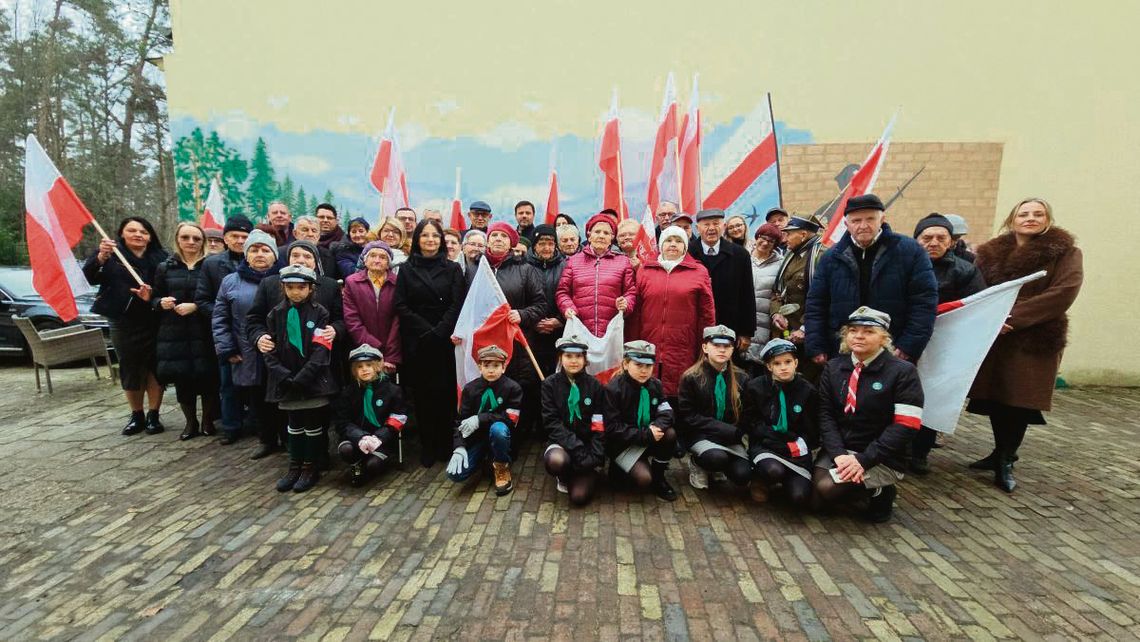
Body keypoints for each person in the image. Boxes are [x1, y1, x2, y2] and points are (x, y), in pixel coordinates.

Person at [966, 198, 1083, 493]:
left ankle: (1006, 458)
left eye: (1038, 214)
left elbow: (1063, 292)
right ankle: (997, 451)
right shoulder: (991, 253)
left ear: (1048, 219)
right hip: (996, 335)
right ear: (1012, 219)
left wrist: (1012, 316)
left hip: (1033, 336)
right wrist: (989, 318)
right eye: (1024, 214)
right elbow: (979, 288)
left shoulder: (1065, 253)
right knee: (995, 396)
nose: (1030, 218)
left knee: (1019, 399)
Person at [813, 307, 924, 523]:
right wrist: (838, 454)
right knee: (815, 501)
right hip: (841, 450)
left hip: (880, 455)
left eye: (869, 331)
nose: (859, 336)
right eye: (853, 330)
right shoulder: (834, 367)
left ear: (884, 338)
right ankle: (857, 487)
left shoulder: (903, 372)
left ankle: (882, 491)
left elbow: (906, 426)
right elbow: (825, 415)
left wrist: (863, 460)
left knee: (827, 488)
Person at [805, 194, 938, 366]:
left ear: (882, 219)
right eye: (856, 220)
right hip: (843, 350)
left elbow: (924, 301)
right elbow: (816, 304)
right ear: (846, 224)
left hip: (893, 349)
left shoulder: (910, 251)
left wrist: (909, 345)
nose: (863, 226)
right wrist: (816, 345)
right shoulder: (831, 257)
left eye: (870, 219)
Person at [246, 240, 344, 459]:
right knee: (290, 418)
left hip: (317, 364)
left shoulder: (328, 285)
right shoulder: (270, 284)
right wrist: (259, 337)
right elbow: (254, 319)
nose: (301, 259)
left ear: (316, 261)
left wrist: (335, 330)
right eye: (296, 255)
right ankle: (295, 459)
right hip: (281, 363)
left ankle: (317, 459)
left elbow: (340, 318)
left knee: (317, 415)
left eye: (307, 256)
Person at [909, 214, 987, 474]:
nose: (933, 242)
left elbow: (976, 307)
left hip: (944, 345)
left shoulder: (965, 270)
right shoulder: (904, 265)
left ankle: (920, 451)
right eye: (927, 237)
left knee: (934, 396)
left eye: (940, 237)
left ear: (951, 242)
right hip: (908, 341)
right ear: (917, 240)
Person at [83, 216, 169, 435]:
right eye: (132, 231)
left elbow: (167, 286)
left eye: (143, 232)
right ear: (122, 233)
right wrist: (101, 258)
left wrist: (153, 296)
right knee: (130, 367)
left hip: (152, 317)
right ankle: (136, 414)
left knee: (154, 367)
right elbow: (89, 277)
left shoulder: (161, 258)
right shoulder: (110, 255)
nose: (138, 235)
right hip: (123, 320)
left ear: (150, 236)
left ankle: (153, 415)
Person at [395, 220, 466, 467]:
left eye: (435, 236)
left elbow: (457, 304)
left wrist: (440, 330)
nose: (430, 240)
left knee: (445, 395)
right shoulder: (405, 269)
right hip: (418, 340)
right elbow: (401, 305)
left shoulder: (453, 269)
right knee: (423, 396)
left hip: (445, 339)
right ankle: (428, 446)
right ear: (417, 239)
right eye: (424, 235)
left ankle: (445, 444)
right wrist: (426, 330)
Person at [263, 265, 339, 493]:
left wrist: (305, 375)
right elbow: (270, 348)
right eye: (291, 287)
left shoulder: (320, 313)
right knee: (293, 425)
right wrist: (283, 375)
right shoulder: (276, 313)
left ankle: (310, 466)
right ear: (283, 288)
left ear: (311, 289)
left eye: (301, 287)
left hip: (312, 381)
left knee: (313, 424)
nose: (296, 292)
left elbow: (322, 349)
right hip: (286, 381)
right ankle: (294, 465)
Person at [212, 230, 282, 447]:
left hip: (280, 350)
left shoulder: (285, 280)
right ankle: (266, 441)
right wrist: (227, 349)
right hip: (246, 350)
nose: (260, 254)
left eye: (265, 250)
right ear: (246, 254)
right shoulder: (231, 282)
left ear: (274, 255)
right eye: (254, 250)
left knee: (282, 396)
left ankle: (287, 440)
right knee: (257, 398)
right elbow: (220, 318)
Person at [628, 225, 715, 398]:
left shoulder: (699, 271)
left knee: (679, 392)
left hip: (683, 343)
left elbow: (707, 312)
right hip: (649, 340)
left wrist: (705, 345)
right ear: (661, 245)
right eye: (668, 240)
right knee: (646, 389)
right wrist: (632, 342)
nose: (673, 244)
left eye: (678, 241)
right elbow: (636, 310)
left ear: (685, 246)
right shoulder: (646, 270)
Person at [480, 222, 547, 443]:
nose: (498, 239)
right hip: (488, 342)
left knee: (520, 389)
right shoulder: (478, 269)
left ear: (511, 242)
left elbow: (540, 304)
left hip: (518, 343)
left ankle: (518, 436)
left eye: (503, 236)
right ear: (487, 240)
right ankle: (494, 433)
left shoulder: (525, 269)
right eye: (494, 235)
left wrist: (523, 314)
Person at [153, 222, 218, 441]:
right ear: (178, 240)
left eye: (196, 238)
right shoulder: (165, 267)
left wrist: (197, 306)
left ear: (203, 242)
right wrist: (160, 302)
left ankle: (208, 420)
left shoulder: (211, 265)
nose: (191, 242)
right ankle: (191, 422)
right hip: (175, 330)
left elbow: (219, 298)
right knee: (183, 378)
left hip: (204, 328)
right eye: (186, 238)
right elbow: (155, 296)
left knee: (208, 376)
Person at [742, 338, 818, 506]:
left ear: (796, 363)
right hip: (765, 444)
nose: (783, 367)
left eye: (788, 362)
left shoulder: (808, 391)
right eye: (777, 363)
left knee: (799, 497)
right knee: (773, 470)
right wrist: (771, 436)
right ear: (769, 367)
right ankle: (761, 480)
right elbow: (750, 422)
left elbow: (812, 430)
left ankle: (788, 481)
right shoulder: (755, 387)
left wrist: (794, 444)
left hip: (794, 448)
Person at [197, 215, 252, 440]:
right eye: (234, 236)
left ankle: (257, 424)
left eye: (244, 237)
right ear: (225, 238)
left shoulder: (259, 260)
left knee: (255, 384)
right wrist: (227, 316)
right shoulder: (211, 264)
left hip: (253, 333)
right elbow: (202, 300)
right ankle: (231, 427)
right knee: (228, 383)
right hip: (228, 332)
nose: (240, 241)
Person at [677, 326, 752, 490]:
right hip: (701, 435)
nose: (722, 350)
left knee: (743, 475)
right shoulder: (692, 377)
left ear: (733, 349)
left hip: (731, 437)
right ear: (705, 347)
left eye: (727, 346)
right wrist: (722, 429)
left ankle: (719, 468)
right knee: (717, 458)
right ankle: (698, 463)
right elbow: (688, 416)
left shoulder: (742, 378)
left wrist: (737, 431)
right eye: (716, 345)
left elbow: (748, 413)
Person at [603, 341, 678, 501]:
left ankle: (659, 478)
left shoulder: (655, 385)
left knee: (670, 433)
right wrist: (645, 434)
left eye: (648, 366)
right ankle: (618, 467)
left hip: (647, 436)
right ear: (625, 364)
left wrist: (658, 427)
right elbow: (612, 428)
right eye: (638, 365)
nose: (644, 371)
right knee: (644, 479)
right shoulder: (613, 389)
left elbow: (666, 411)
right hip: (623, 444)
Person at [446, 345, 522, 495]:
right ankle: (485, 460)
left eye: (496, 365)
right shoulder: (470, 389)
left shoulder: (513, 388)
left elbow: (511, 419)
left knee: (498, 429)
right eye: (486, 365)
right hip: (478, 439)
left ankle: (501, 466)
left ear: (504, 367)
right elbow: (460, 421)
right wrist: (459, 446)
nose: (491, 370)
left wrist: (480, 418)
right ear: (479, 367)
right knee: (455, 475)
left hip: (502, 438)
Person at [541, 336, 606, 506]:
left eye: (578, 356)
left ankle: (587, 472)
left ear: (585, 359)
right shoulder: (549, 385)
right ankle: (563, 476)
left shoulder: (596, 386)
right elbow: (552, 423)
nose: (573, 361)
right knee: (556, 461)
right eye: (568, 356)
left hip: (587, 447)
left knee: (578, 498)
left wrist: (595, 455)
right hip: (562, 443)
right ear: (560, 358)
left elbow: (598, 423)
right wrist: (577, 450)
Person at [333, 345, 409, 486]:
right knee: (346, 450)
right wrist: (360, 436)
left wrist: (379, 437)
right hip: (355, 439)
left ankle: (371, 462)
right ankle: (356, 464)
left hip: (380, 440)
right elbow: (342, 421)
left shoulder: (392, 390)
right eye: (359, 366)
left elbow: (399, 417)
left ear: (378, 366)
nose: (364, 369)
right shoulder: (348, 392)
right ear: (354, 371)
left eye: (369, 365)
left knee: (373, 466)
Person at [555, 213, 636, 337]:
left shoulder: (623, 261)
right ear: (589, 235)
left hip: (612, 331)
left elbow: (631, 292)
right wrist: (567, 308)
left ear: (611, 238)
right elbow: (562, 292)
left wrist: (626, 303)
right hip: (580, 328)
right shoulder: (573, 261)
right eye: (597, 231)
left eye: (606, 233)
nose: (601, 236)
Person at [689, 209, 756, 358]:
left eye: (716, 223)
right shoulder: (688, 254)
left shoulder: (740, 254)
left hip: (730, 328)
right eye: (706, 224)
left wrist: (746, 332)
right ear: (697, 228)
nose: (711, 228)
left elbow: (747, 295)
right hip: (695, 329)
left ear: (724, 226)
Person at [769, 215, 825, 378]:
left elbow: (823, 299)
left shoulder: (821, 256)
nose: (784, 238)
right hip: (786, 332)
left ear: (803, 234)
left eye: (788, 233)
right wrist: (776, 313)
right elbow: (777, 291)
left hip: (810, 334)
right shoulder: (790, 256)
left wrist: (804, 328)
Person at [341, 241, 401, 374]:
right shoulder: (352, 282)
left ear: (388, 263)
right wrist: (374, 346)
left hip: (392, 351)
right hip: (362, 349)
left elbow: (398, 321)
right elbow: (352, 320)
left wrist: (391, 355)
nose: (377, 260)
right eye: (373, 256)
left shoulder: (398, 283)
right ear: (365, 260)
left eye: (383, 257)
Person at [527, 224, 567, 376]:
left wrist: (559, 320)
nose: (546, 248)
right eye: (542, 243)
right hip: (531, 333)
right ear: (534, 246)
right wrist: (533, 321)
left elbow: (571, 296)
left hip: (559, 331)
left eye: (550, 244)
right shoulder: (523, 266)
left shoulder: (565, 266)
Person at [744, 223, 784, 367]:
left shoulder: (781, 264)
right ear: (757, 237)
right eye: (763, 238)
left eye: (771, 241)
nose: (765, 243)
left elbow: (779, 295)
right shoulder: (742, 256)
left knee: (759, 365)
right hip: (743, 322)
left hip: (766, 323)